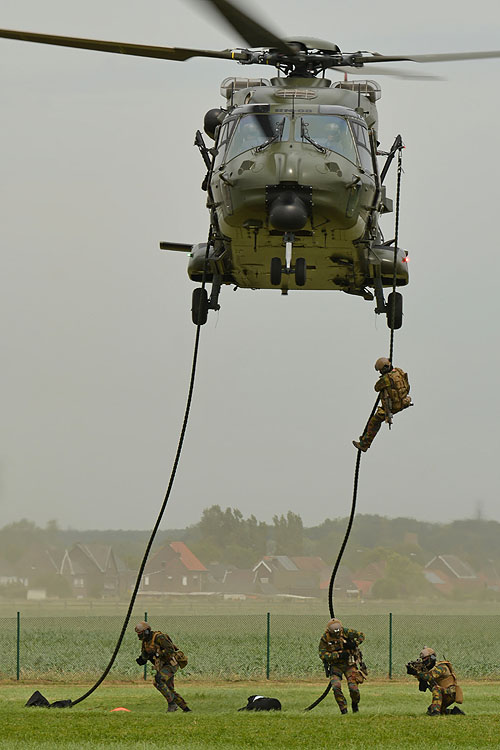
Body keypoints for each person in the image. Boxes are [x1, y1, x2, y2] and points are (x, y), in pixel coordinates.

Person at [353, 357, 411, 452]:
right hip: (404, 402)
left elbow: (376, 388)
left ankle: (365, 444)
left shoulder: (386, 379)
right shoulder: (399, 371)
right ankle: (365, 436)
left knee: (374, 421)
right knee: (376, 419)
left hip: (394, 407)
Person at [135, 621, 191, 713]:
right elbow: (145, 655)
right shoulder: (145, 642)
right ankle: (186, 709)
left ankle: (172, 704)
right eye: (138, 634)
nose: (139, 636)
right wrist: (142, 659)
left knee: (159, 679)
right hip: (161, 665)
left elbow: (170, 651)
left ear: (147, 631)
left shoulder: (159, 637)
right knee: (168, 688)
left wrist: (157, 654)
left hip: (170, 663)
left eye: (141, 633)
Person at [318, 617, 366, 714]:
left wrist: (354, 644)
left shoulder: (346, 632)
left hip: (349, 665)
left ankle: (355, 704)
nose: (337, 634)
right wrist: (337, 655)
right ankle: (343, 710)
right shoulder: (325, 638)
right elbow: (322, 654)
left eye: (338, 632)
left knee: (354, 688)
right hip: (336, 666)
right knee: (336, 687)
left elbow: (361, 635)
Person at [406, 647, 465, 716]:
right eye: (423, 659)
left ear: (432, 657)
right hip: (443, 693)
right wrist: (419, 676)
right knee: (431, 710)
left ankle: (435, 713)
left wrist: (417, 673)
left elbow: (430, 676)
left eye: (425, 659)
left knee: (436, 689)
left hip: (450, 692)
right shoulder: (428, 670)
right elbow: (422, 688)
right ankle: (454, 712)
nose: (423, 661)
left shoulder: (441, 667)